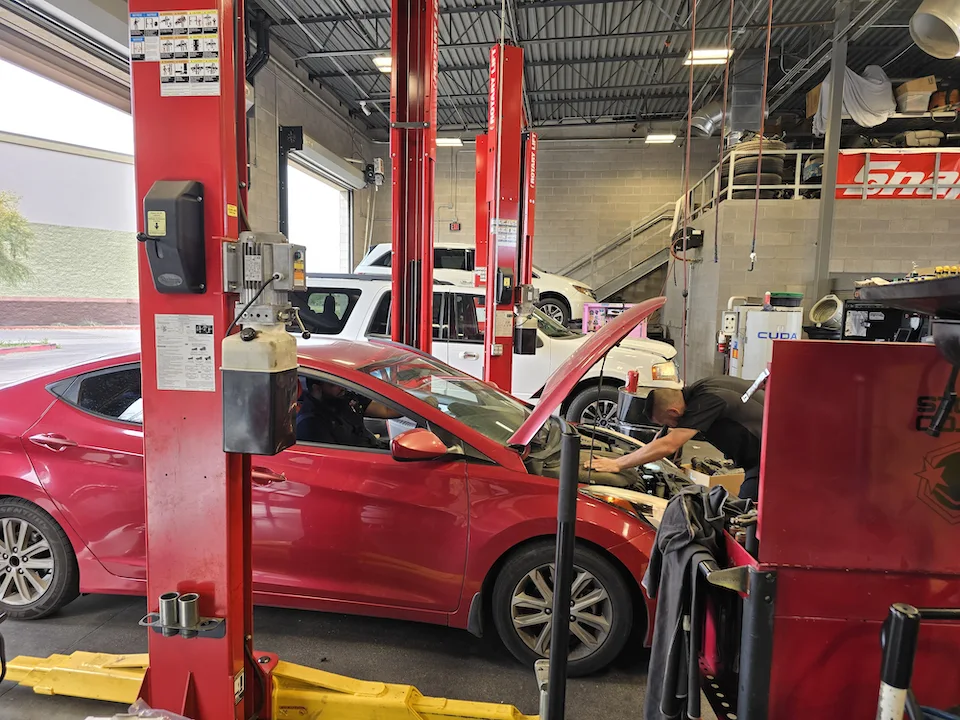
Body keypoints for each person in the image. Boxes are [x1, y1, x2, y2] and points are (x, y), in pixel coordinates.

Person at [585, 376, 765, 501]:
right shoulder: (702, 387)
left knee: (743, 516)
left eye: (668, 423)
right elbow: (663, 438)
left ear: (673, 412)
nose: (670, 427)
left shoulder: (707, 402)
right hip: (769, 452)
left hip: (771, 461)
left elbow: (669, 444)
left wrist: (618, 463)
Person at [297, 378, 400, 448]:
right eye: (333, 384)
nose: (341, 387)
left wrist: (414, 405)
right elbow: (333, 461)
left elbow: (386, 410)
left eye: (341, 382)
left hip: (375, 448)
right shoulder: (311, 422)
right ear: (317, 388)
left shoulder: (343, 398)